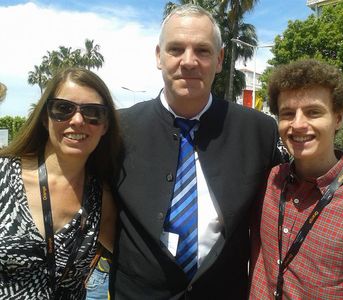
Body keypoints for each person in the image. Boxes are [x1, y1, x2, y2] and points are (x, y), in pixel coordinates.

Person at [109, 4, 281, 299]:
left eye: (202, 51)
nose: (188, 62)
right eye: (176, 49)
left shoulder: (258, 131)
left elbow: (290, 198)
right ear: (158, 56)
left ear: (219, 59)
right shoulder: (119, 128)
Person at [249, 59, 343, 299]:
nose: (298, 124)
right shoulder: (269, 182)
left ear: (338, 118)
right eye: (288, 113)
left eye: (313, 112)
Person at [0, 67, 120, 299]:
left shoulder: (99, 196)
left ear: (105, 126)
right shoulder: (4, 175)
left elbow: (135, 260)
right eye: (63, 109)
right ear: (46, 117)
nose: (77, 120)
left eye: (93, 112)